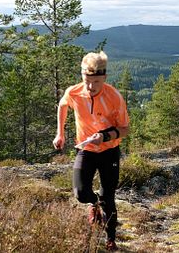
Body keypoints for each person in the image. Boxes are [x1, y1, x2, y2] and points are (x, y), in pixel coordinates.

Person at [53, 50, 130, 252]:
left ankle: (110, 239)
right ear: (82, 76)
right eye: (87, 80)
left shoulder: (114, 97)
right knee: (80, 193)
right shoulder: (75, 92)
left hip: (109, 151)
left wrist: (104, 136)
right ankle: (93, 203)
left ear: (104, 77)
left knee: (108, 197)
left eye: (96, 82)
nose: (91, 86)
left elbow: (125, 129)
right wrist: (59, 134)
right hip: (85, 149)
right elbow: (62, 105)